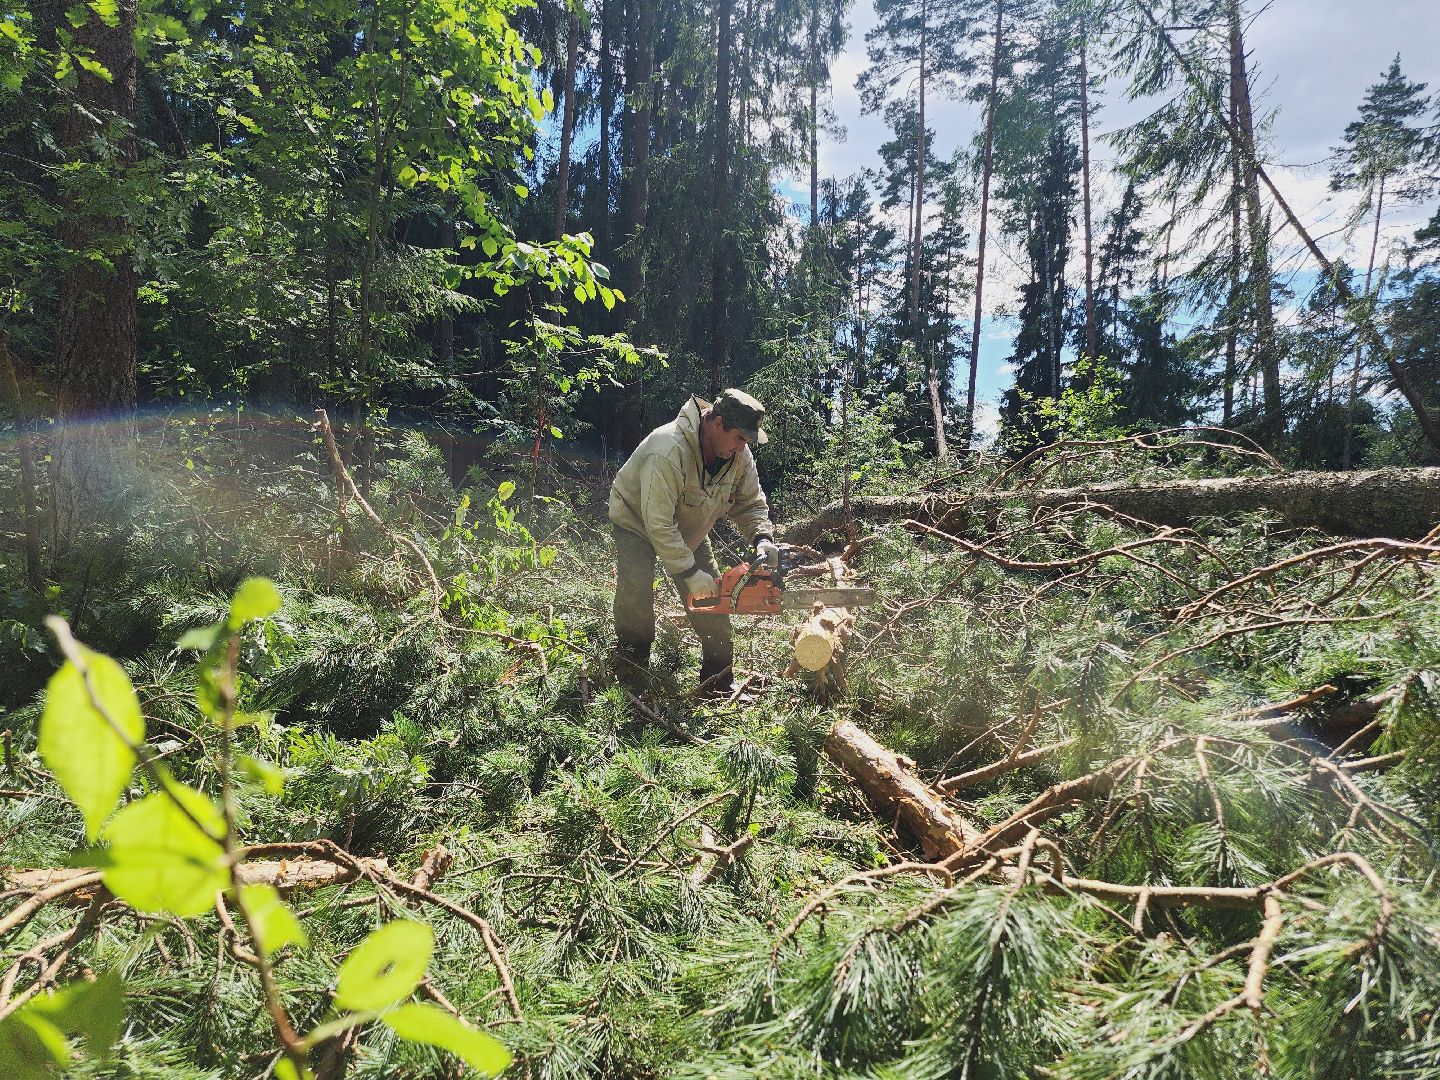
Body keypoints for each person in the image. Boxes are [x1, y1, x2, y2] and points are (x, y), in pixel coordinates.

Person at [608, 389, 781, 695]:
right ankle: (630, 683)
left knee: (714, 601)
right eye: (740, 438)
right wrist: (689, 573)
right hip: (637, 519)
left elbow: (750, 503)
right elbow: (658, 524)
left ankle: (718, 684)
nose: (743, 448)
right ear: (717, 423)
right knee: (636, 597)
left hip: (689, 527)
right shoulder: (667, 449)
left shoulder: (738, 455)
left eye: (747, 441)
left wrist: (762, 537)